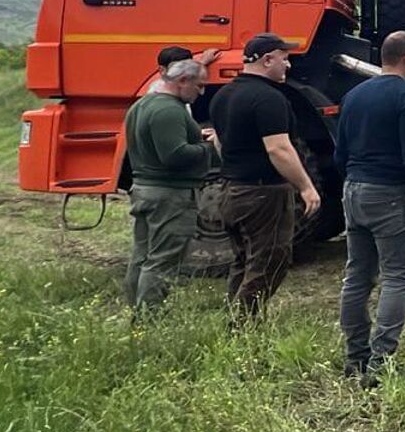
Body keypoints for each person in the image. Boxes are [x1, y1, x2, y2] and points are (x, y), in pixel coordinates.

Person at [334, 30, 405, 380]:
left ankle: (356, 358)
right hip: (390, 194)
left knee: (357, 277)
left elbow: (341, 152)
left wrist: (354, 181)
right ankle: (381, 364)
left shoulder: (354, 95)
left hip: (354, 190)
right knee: (398, 276)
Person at [208, 33, 321, 319]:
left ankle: (233, 317)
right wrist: (306, 187)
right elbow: (279, 149)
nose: (288, 66)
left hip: (231, 190)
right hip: (263, 193)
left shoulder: (224, 94)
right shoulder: (268, 98)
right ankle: (243, 326)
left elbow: (220, 142)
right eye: (285, 59)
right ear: (267, 59)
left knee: (245, 259)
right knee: (271, 259)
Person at [121, 59, 216, 310]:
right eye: (200, 85)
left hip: (144, 189)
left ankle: (136, 311)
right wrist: (207, 147)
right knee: (163, 260)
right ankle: (150, 319)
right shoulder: (169, 110)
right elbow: (175, 155)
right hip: (169, 195)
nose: (202, 92)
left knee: (142, 256)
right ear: (183, 81)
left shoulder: (141, 105)